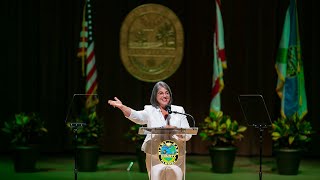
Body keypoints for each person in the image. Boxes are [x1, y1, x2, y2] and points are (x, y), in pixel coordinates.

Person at [108, 81, 192, 180]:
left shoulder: (179, 110)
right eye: (161, 93)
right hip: (155, 154)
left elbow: (188, 132)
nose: (165, 96)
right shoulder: (150, 110)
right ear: (155, 96)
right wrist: (122, 107)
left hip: (175, 154)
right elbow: (137, 116)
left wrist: (178, 131)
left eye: (167, 93)